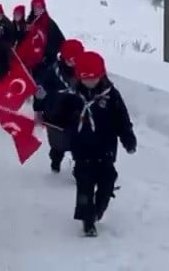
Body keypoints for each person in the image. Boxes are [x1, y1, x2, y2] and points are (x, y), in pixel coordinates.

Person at [49, 51, 137, 237]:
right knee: (84, 185)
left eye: (94, 78)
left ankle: (99, 208)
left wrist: (128, 138)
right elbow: (59, 116)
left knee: (107, 182)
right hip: (82, 151)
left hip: (105, 150)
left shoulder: (111, 96)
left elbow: (122, 119)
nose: (89, 82)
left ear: (102, 75)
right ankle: (87, 220)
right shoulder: (72, 96)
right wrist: (51, 117)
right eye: (85, 79)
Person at [36, 38, 84, 173]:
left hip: (77, 113)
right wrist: (39, 108)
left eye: (76, 59)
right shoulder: (52, 72)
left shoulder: (83, 70)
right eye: (70, 59)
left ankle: (80, 168)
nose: (73, 62)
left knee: (80, 143)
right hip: (55, 113)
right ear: (63, 57)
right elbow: (41, 90)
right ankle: (55, 162)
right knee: (58, 144)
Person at [26, 0, 66, 82]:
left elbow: (61, 42)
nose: (37, 9)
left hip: (47, 62)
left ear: (44, 8)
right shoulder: (30, 21)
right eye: (35, 7)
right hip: (32, 62)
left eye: (39, 7)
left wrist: (46, 55)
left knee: (44, 86)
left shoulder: (49, 23)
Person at [0, 4, 13, 80]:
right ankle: (0, 86)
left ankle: (5, 87)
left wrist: (4, 33)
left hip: (6, 51)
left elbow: (11, 36)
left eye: (0, 13)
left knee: (6, 72)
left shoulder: (7, 22)